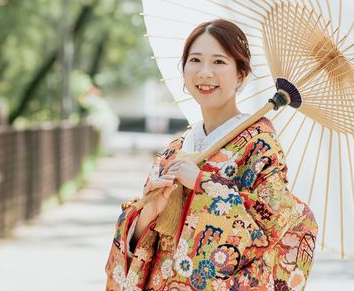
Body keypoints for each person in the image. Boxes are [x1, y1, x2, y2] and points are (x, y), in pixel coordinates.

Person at [105, 19, 318, 290]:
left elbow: (270, 227)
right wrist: (148, 213)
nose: (205, 72)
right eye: (195, 60)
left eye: (219, 62)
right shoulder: (176, 149)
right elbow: (141, 244)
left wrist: (203, 184)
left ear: (240, 75)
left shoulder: (259, 147)